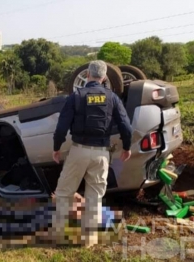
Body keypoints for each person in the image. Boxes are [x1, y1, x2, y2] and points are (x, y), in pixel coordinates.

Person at [49, 60, 133, 247]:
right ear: (104, 78)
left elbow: (61, 127)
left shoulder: (76, 96)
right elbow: (126, 127)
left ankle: (60, 235)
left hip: (78, 151)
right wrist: (127, 147)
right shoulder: (112, 98)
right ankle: (89, 240)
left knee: (63, 192)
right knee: (94, 196)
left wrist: (56, 147)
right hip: (102, 153)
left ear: (87, 75)